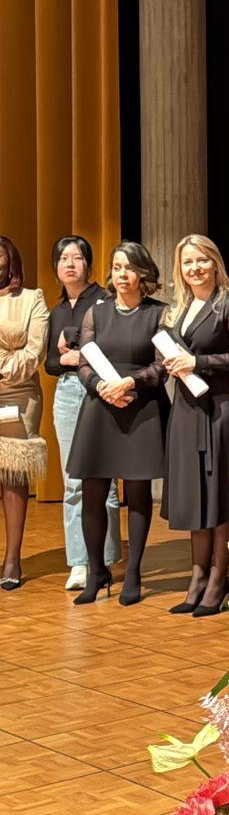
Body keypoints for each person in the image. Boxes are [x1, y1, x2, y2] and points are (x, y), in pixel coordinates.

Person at [158, 235, 229, 617]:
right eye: (187, 262)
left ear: (215, 264)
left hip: (220, 410)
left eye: (201, 260)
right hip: (186, 411)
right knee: (195, 496)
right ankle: (197, 575)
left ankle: (219, 578)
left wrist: (196, 363)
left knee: (220, 495)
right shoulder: (177, 308)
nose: (194, 268)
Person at [66, 242, 168, 606]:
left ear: (143, 273)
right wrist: (100, 387)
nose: (121, 275)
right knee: (92, 492)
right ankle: (96, 572)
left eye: (128, 268)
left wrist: (131, 383)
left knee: (138, 493)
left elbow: (162, 366)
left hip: (141, 407)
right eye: (115, 268)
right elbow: (83, 362)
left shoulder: (158, 314)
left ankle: (135, 572)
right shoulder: (98, 312)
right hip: (100, 406)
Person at [44, 236, 121, 590]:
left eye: (77, 257)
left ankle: (102, 559)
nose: (69, 264)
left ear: (89, 265)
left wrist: (76, 348)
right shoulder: (56, 309)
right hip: (66, 391)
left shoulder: (103, 300)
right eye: (63, 258)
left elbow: (112, 346)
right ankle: (78, 561)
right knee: (72, 478)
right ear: (56, 267)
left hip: (99, 389)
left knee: (101, 479)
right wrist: (65, 358)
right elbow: (49, 362)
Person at [0, 237, 48, 590]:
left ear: (10, 260)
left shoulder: (32, 298)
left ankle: (13, 557)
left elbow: (34, 353)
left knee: (13, 474)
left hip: (16, 392)